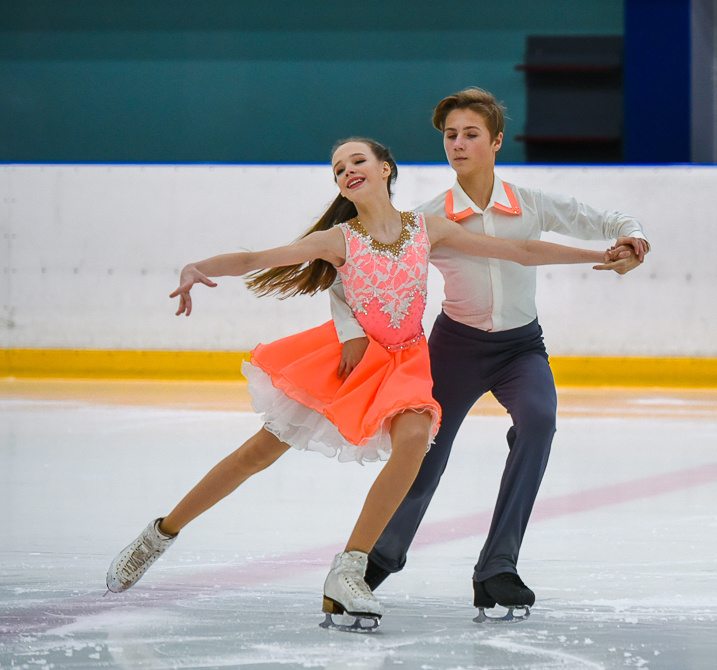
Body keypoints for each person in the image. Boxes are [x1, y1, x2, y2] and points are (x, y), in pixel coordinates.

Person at [105, 137, 635, 631]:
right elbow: (257, 259)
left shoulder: (427, 228)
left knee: (414, 441)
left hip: (405, 362)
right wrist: (198, 265)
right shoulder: (337, 239)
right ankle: (160, 534)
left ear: (385, 170)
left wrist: (598, 257)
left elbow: (518, 251)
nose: (347, 170)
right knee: (258, 454)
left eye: (357, 161)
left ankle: (350, 568)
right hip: (348, 362)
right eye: (338, 168)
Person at [330, 89, 650, 620]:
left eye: (470, 134)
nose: (457, 143)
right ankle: (381, 555)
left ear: (496, 141)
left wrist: (631, 238)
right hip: (455, 346)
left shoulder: (530, 204)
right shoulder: (427, 220)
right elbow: (350, 279)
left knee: (539, 422)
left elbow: (606, 219)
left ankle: (497, 567)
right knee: (425, 451)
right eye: (450, 135)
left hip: (521, 347)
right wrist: (349, 331)